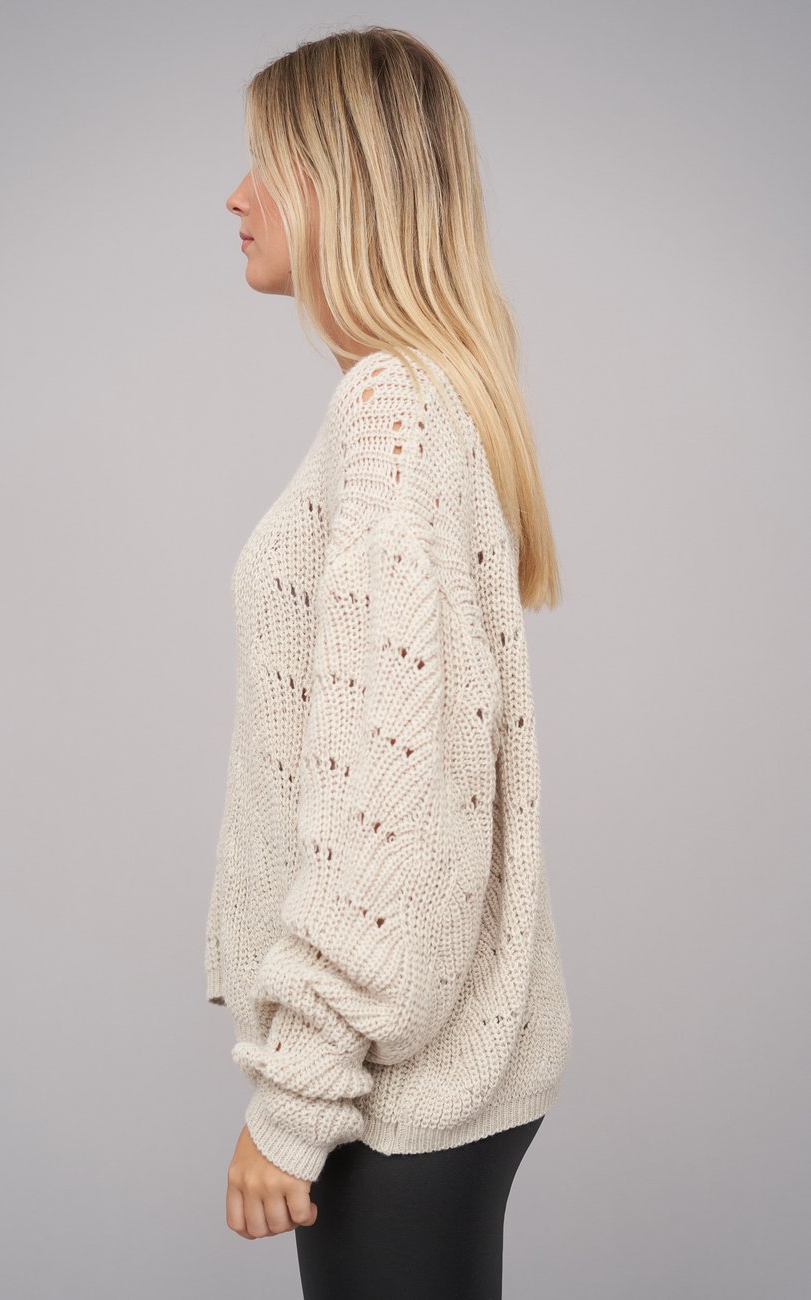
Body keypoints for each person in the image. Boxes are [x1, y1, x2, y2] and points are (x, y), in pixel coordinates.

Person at [208, 24, 573, 1298]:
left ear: (338, 186)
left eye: (265, 165)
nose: (236, 197)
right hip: (435, 1074)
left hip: (391, 1090)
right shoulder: (425, 395)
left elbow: (387, 802)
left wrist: (295, 1098)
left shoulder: (392, 411)